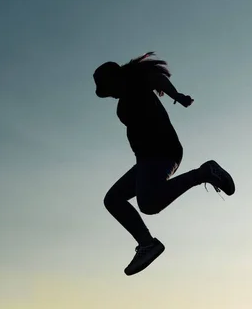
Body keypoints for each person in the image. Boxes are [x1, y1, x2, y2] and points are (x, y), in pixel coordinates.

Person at [93, 52, 235, 276]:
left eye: (108, 89)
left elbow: (156, 79)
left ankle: (204, 173)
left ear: (116, 79)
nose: (109, 95)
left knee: (148, 204)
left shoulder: (136, 82)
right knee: (113, 199)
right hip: (146, 159)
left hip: (162, 151)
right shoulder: (122, 103)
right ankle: (147, 244)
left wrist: (176, 95)